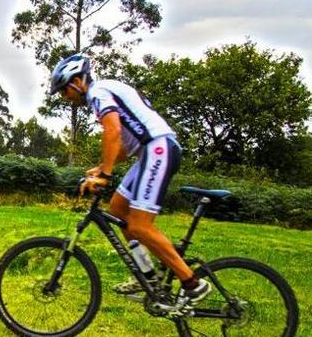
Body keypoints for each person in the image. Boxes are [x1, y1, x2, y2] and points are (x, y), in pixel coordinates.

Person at [49, 53, 211, 307]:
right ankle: (146, 274)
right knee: (117, 210)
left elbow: (112, 131)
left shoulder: (98, 92)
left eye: (64, 90)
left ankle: (192, 283)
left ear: (77, 82)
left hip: (158, 148)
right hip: (147, 151)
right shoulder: (104, 92)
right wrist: (101, 167)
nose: (64, 97)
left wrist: (105, 175)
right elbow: (125, 145)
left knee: (139, 225)